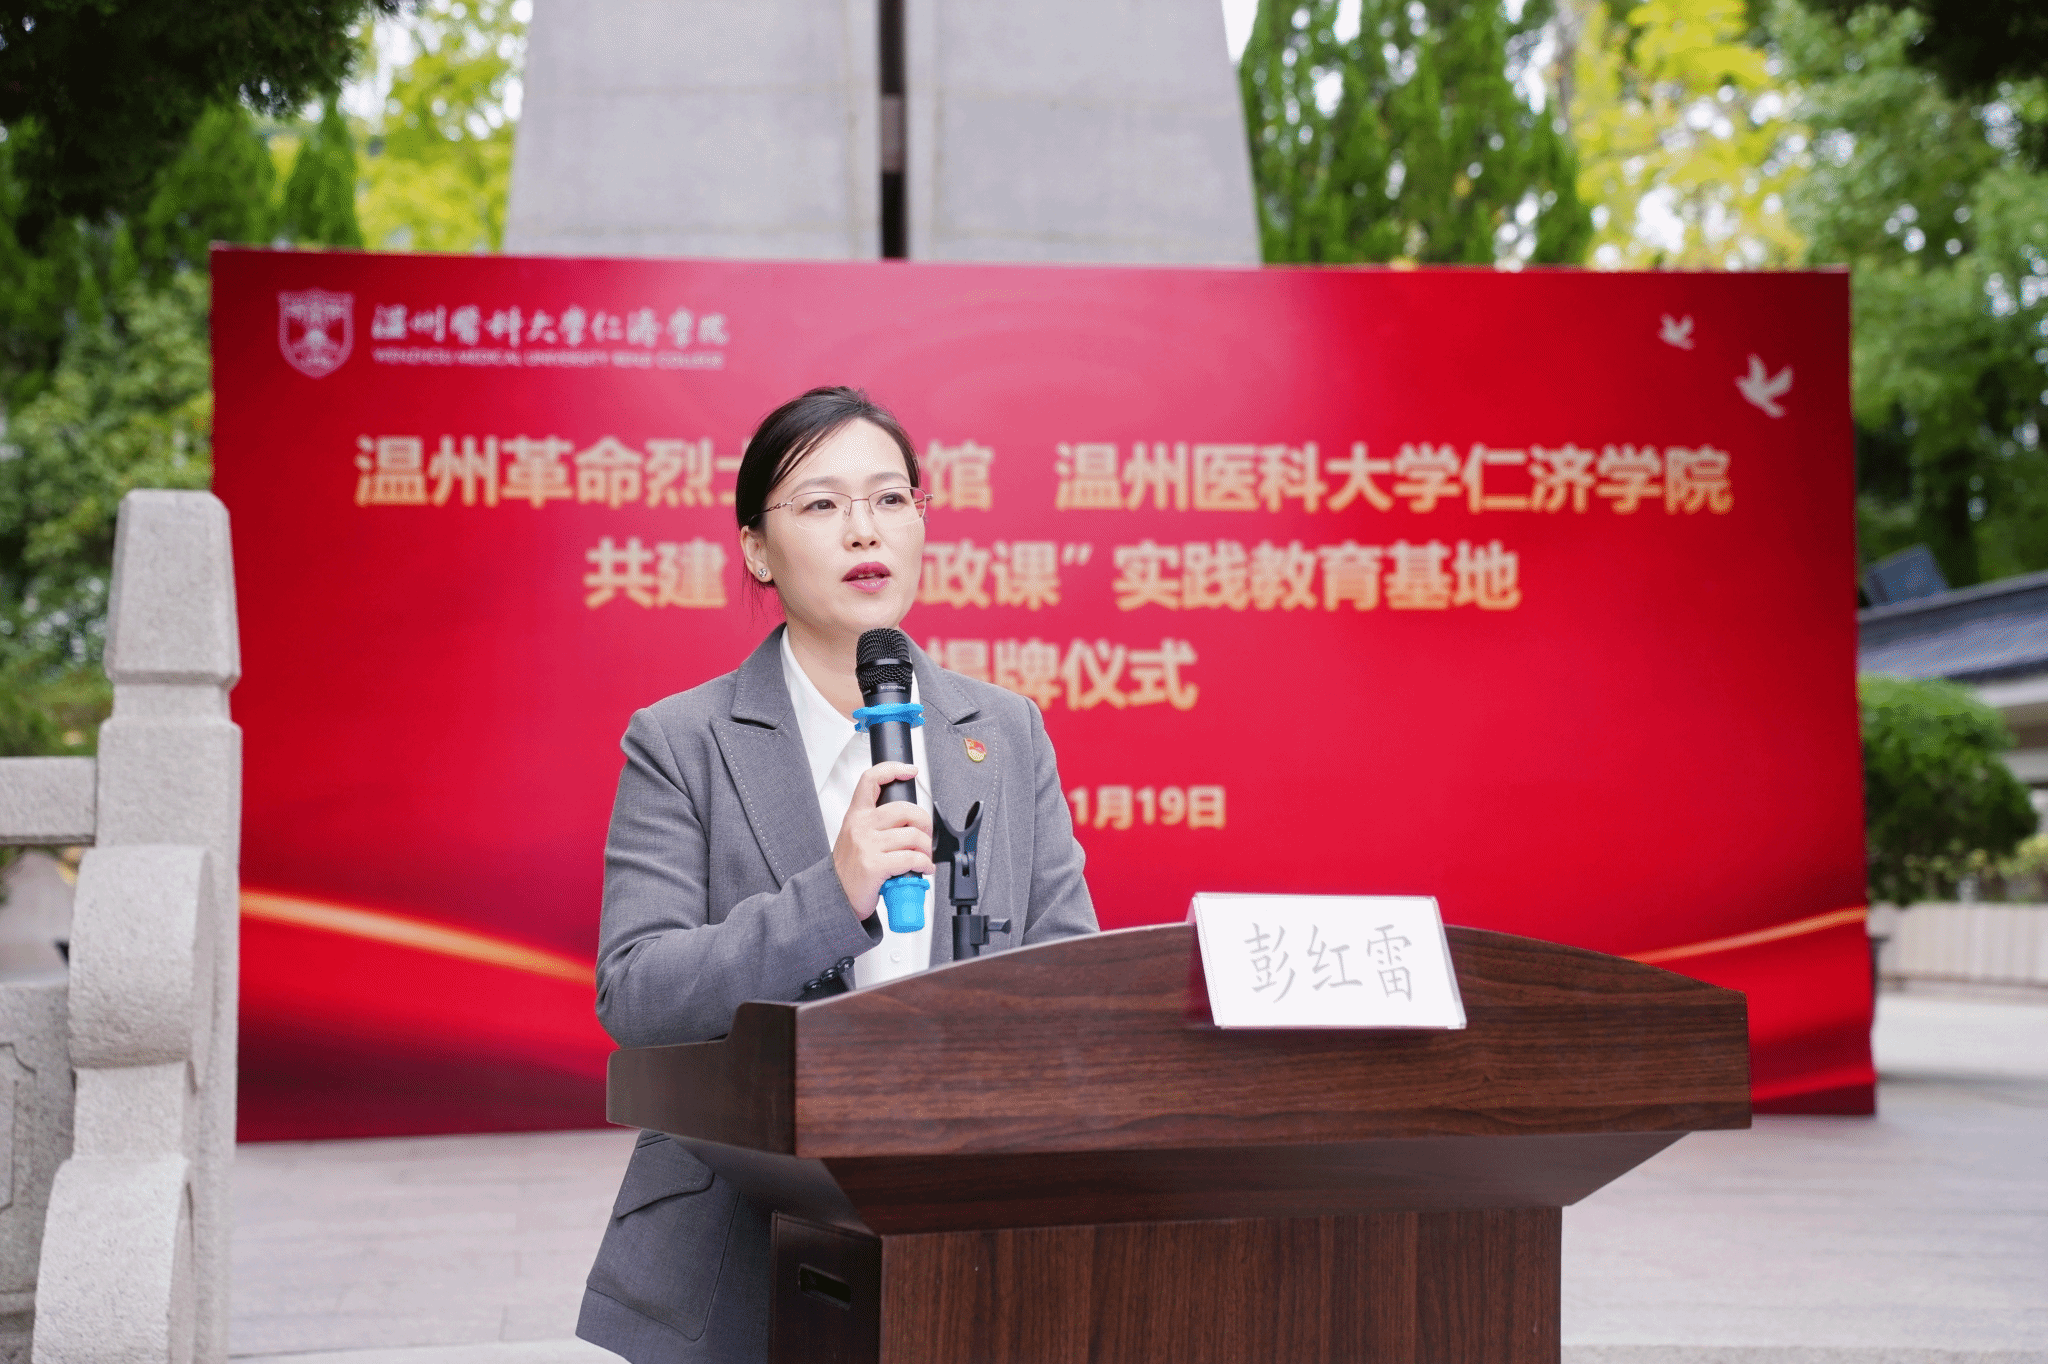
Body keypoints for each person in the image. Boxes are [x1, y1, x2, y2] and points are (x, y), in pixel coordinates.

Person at [575, 386, 1098, 1363]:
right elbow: (636, 990)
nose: (865, 529)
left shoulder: (1005, 732)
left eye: (890, 498)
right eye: (821, 503)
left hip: (973, 1237)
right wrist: (830, 897)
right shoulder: (682, 741)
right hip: (743, 1242)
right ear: (756, 549)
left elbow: (1070, 976)